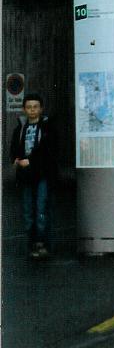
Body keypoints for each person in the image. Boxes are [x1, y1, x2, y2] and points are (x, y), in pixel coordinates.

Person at [9, 93, 58, 258]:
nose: (32, 110)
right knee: (28, 210)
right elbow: (14, 147)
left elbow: (49, 150)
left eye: (35, 107)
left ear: (41, 109)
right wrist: (15, 159)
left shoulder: (47, 128)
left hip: (43, 174)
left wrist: (31, 161)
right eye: (29, 107)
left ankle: (42, 243)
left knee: (41, 208)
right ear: (24, 109)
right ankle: (32, 243)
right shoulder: (20, 128)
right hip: (26, 176)